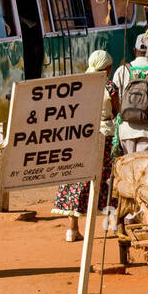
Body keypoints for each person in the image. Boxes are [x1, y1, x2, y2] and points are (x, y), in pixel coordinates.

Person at [52, 50, 119, 241]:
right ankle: (112, 226)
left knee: (76, 179)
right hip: (104, 136)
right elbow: (116, 110)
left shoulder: (79, 84)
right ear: (107, 67)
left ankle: (72, 229)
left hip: (80, 135)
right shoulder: (109, 86)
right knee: (109, 179)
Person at [111, 32, 148, 154]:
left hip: (126, 130)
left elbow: (114, 98)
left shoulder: (122, 70)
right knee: (144, 169)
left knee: (129, 168)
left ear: (134, 50)